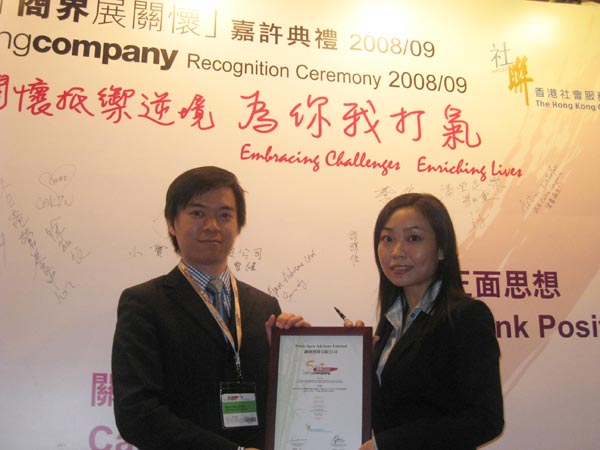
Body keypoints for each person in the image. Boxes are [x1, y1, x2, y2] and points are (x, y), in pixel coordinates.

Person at [112, 166, 309, 450]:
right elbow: (137, 414)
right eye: (197, 213)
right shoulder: (144, 304)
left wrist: (293, 358)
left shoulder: (265, 307)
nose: (212, 225)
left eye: (225, 215)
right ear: (171, 223)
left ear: (238, 225)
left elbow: (285, 403)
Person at [359, 193, 504, 450]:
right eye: (387, 239)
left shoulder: (466, 316)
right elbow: (393, 409)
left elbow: (484, 419)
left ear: (441, 249)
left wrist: (386, 445)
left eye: (413, 238)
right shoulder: (391, 323)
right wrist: (355, 361)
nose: (397, 252)